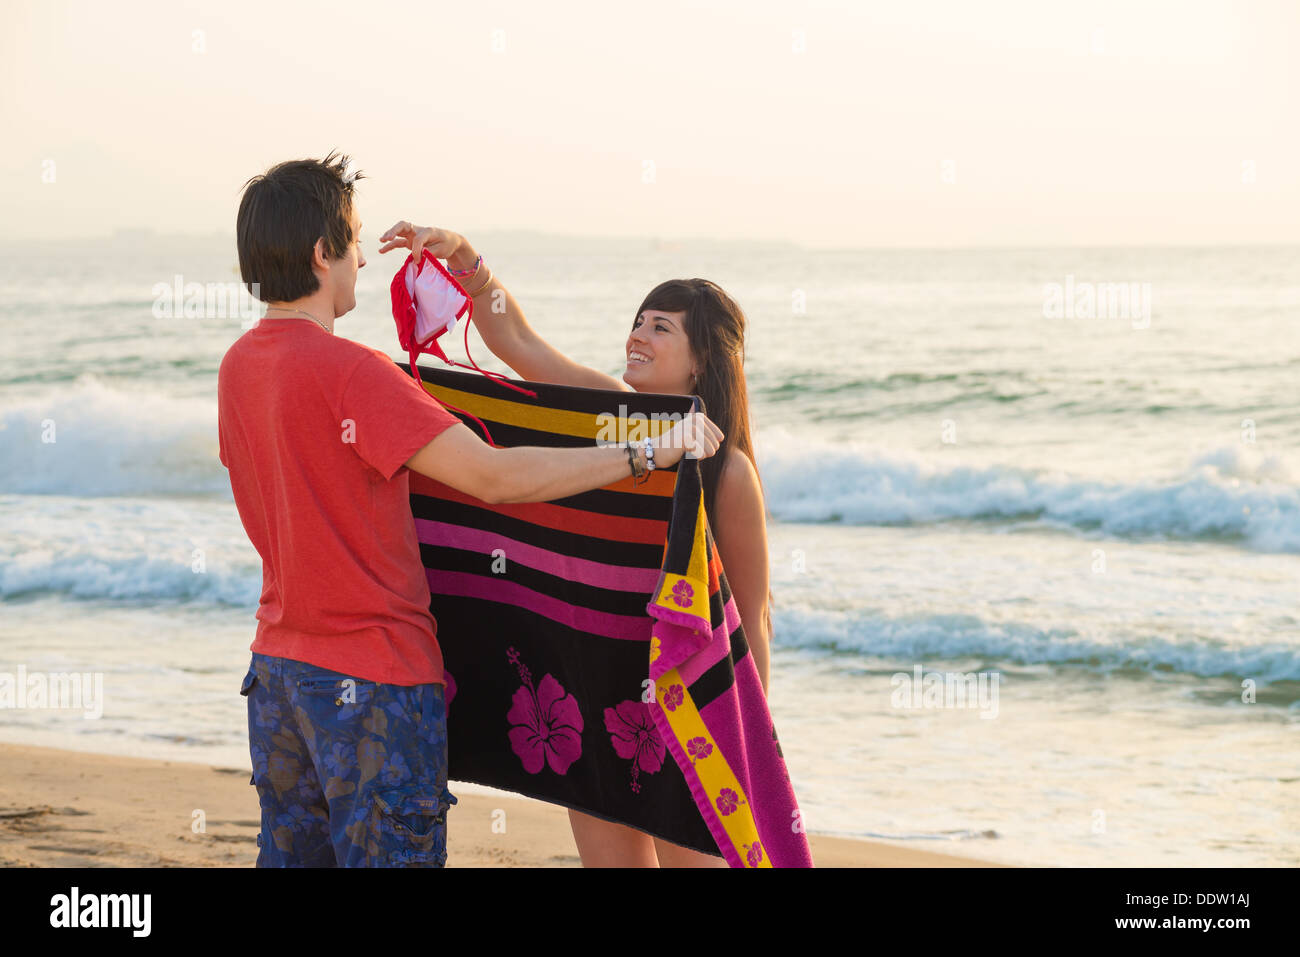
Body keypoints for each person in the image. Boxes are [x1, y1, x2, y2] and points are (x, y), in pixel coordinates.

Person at [217, 153, 722, 868]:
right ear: (321, 252)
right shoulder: (357, 374)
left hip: (276, 678)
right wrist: (645, 456)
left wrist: (470, 267)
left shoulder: (238, 367)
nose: (362, 258)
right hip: (374, 688)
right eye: (354, 240)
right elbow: (493, 476)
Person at [376, 222, 771, 868]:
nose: (637, 335)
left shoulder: (726, 472)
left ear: (700, 359)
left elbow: (751, 616)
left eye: (660, 327)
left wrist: (746, 738)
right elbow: (520, 344)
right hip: (596, 699)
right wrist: (467, 262)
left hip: (687, 711)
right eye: (638, 321)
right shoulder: (606, 418)